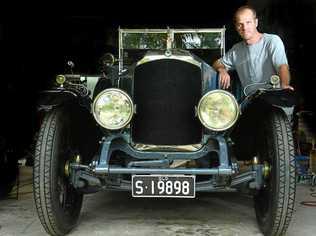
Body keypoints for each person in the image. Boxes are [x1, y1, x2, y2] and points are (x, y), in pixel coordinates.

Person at [212, 5, 294, 94]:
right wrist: (222, 70)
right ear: (236, 27)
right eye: (240, 24)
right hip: (252, 102)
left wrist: (284, 86)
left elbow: (282, 66)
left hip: (275, 100)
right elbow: (217, 64)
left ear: (256, 22)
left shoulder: (272, 41)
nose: (244, 28)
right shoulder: (236, 49)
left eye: (248, 22)